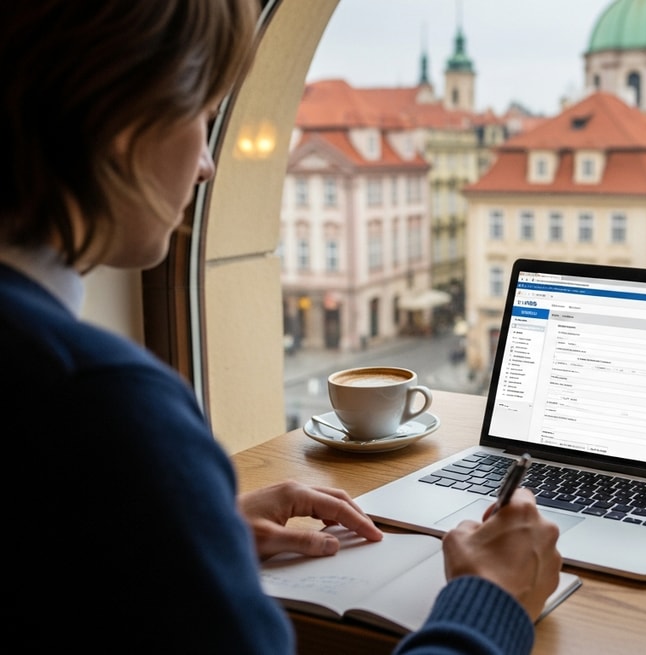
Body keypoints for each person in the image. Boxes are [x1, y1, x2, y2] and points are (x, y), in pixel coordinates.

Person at [0, 2, 561, 653]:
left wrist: (194, 533)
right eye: (202, 119)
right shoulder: (99, 402)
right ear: (123, 126)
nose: (208, 165)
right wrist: (488, 601)